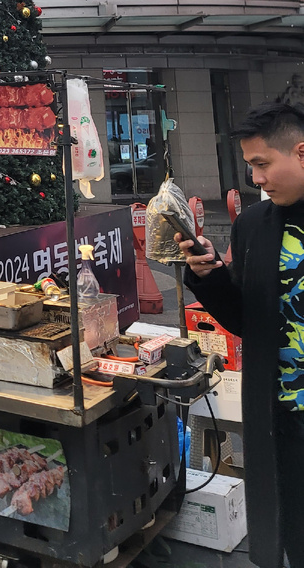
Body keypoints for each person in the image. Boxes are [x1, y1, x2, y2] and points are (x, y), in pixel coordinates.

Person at [177, 102, 304, 568]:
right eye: (251, 166)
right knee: (295, 530)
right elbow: (246, 319)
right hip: (283, 417)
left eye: (263, 163)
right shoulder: (253, 225)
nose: (257, 179)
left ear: (301, 152)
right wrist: (209, 276)